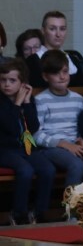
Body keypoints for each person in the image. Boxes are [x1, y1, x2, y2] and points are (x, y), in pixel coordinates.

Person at [33, 50, 83, 187]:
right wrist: (64, 144)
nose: (62, 77)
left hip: (76, 146)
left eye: (65, 71)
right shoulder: (40, 100)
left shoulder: (78, 100)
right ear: (45, 76)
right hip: (52, 148)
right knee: (76, 164)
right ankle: (73, 201)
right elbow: (35, 134)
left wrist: (81, 138)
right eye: (56, 73)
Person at [0, 58, 56, 225]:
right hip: (4, 149)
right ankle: (19, 213)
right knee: (25, 170)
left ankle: (39, 212)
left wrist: (26, 102)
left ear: (22, 83)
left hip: (25, 147)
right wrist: (17, 104)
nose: (7, 84)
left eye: (12, 80)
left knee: (48, 169)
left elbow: (33, 127)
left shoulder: (27, 99)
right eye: (3, 80)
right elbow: (10, 127)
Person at [25, 12, 83, 88]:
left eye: (62, 29)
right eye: (52, 29)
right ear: (43, 31)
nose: (58, 34)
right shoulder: (32, 61)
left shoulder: (74, 60)